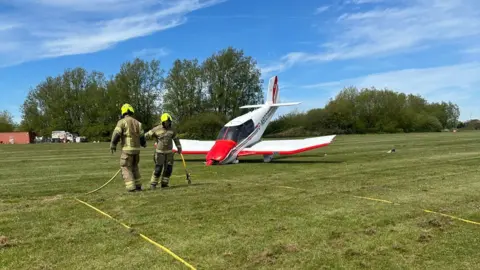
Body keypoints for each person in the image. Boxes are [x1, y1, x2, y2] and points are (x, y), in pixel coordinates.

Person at [110, 103, 147, 192]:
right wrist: (143, 144)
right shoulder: (138, 123)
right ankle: (138, 186)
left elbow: (116, 134)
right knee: (135, 167)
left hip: (127, 149)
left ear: (123, 112)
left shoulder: (122, 122)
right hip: (137, 150)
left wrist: (113, 144)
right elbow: (142, 137)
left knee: (125, 167)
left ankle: (131, 187)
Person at [144, 113, 182, 189]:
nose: (168, 123)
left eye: (169, 121)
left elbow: (176, 139)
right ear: (163, 122)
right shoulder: (156, 129)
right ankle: (153, 184)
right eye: (166, 121)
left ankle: (164, 184)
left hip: (169, 153)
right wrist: (142, 141)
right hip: (159, 153)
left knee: (168, 169)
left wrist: (179, 148)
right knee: (158, 169)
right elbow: (146, 135)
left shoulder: (172, 130)